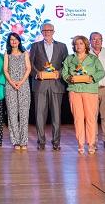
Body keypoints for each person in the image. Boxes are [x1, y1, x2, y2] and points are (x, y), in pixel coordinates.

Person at [61, 35, 105, 155]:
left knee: (90, 118)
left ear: (86, 45)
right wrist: (69, 78)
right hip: (74, 91)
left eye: (81, 43)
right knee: (78, 118)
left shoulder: (93, 58)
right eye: (76, 44)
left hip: (90, 90)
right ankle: (80, 143)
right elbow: (64, 72)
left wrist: (91, 78)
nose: (78, 46)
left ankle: (91, 143)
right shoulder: (70, 58)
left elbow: (101, 72)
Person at [29, 23, 67, 151]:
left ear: (53, 31)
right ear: (41, 31)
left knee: (56, 116)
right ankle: (41, 141)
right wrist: (37, 73)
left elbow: (66, 64)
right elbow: (30, 64)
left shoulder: (62, 46)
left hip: (56, 85)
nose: (47, 32)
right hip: (40, 85)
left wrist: (59, 73)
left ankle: (56, 142)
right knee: (40, 115)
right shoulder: (35, 46)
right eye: (44, 30)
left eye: (49, 30)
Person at [3, 32, 31, 150]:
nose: (13, 41)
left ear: (19, 41)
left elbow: (28, 68)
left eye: (15, 39)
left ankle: (23, 141)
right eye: (11, 40)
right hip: (10, 86)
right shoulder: (7, 54)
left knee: (24, 114)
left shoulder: (25, 53)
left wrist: (21, 82)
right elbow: (5, 69)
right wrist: (12, 82)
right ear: (9, 42)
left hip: (23, 86)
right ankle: (15, 141)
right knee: (12, 114)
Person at [90, 31, 105, 150]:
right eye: (94, 39)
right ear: (90, 41)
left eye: (99, 39)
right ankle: (93, 140)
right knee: (92, 116)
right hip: (91, 89)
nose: (97, 41)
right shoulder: (86, 53)